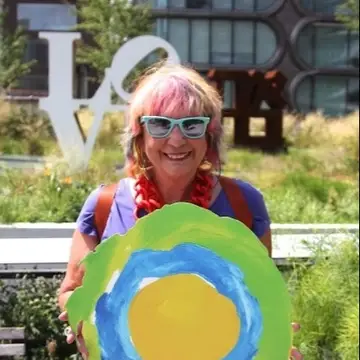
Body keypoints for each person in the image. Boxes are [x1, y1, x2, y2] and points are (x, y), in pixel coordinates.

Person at [58, 63, 303, 360]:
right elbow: (71, 291)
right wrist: (81, 322)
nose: (177, 140)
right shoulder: (104, 205)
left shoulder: (244, 203)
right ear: (139, 134)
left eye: (191, 125)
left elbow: (260, 293)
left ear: (209, 135)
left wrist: (273, 337)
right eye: (160, 125)